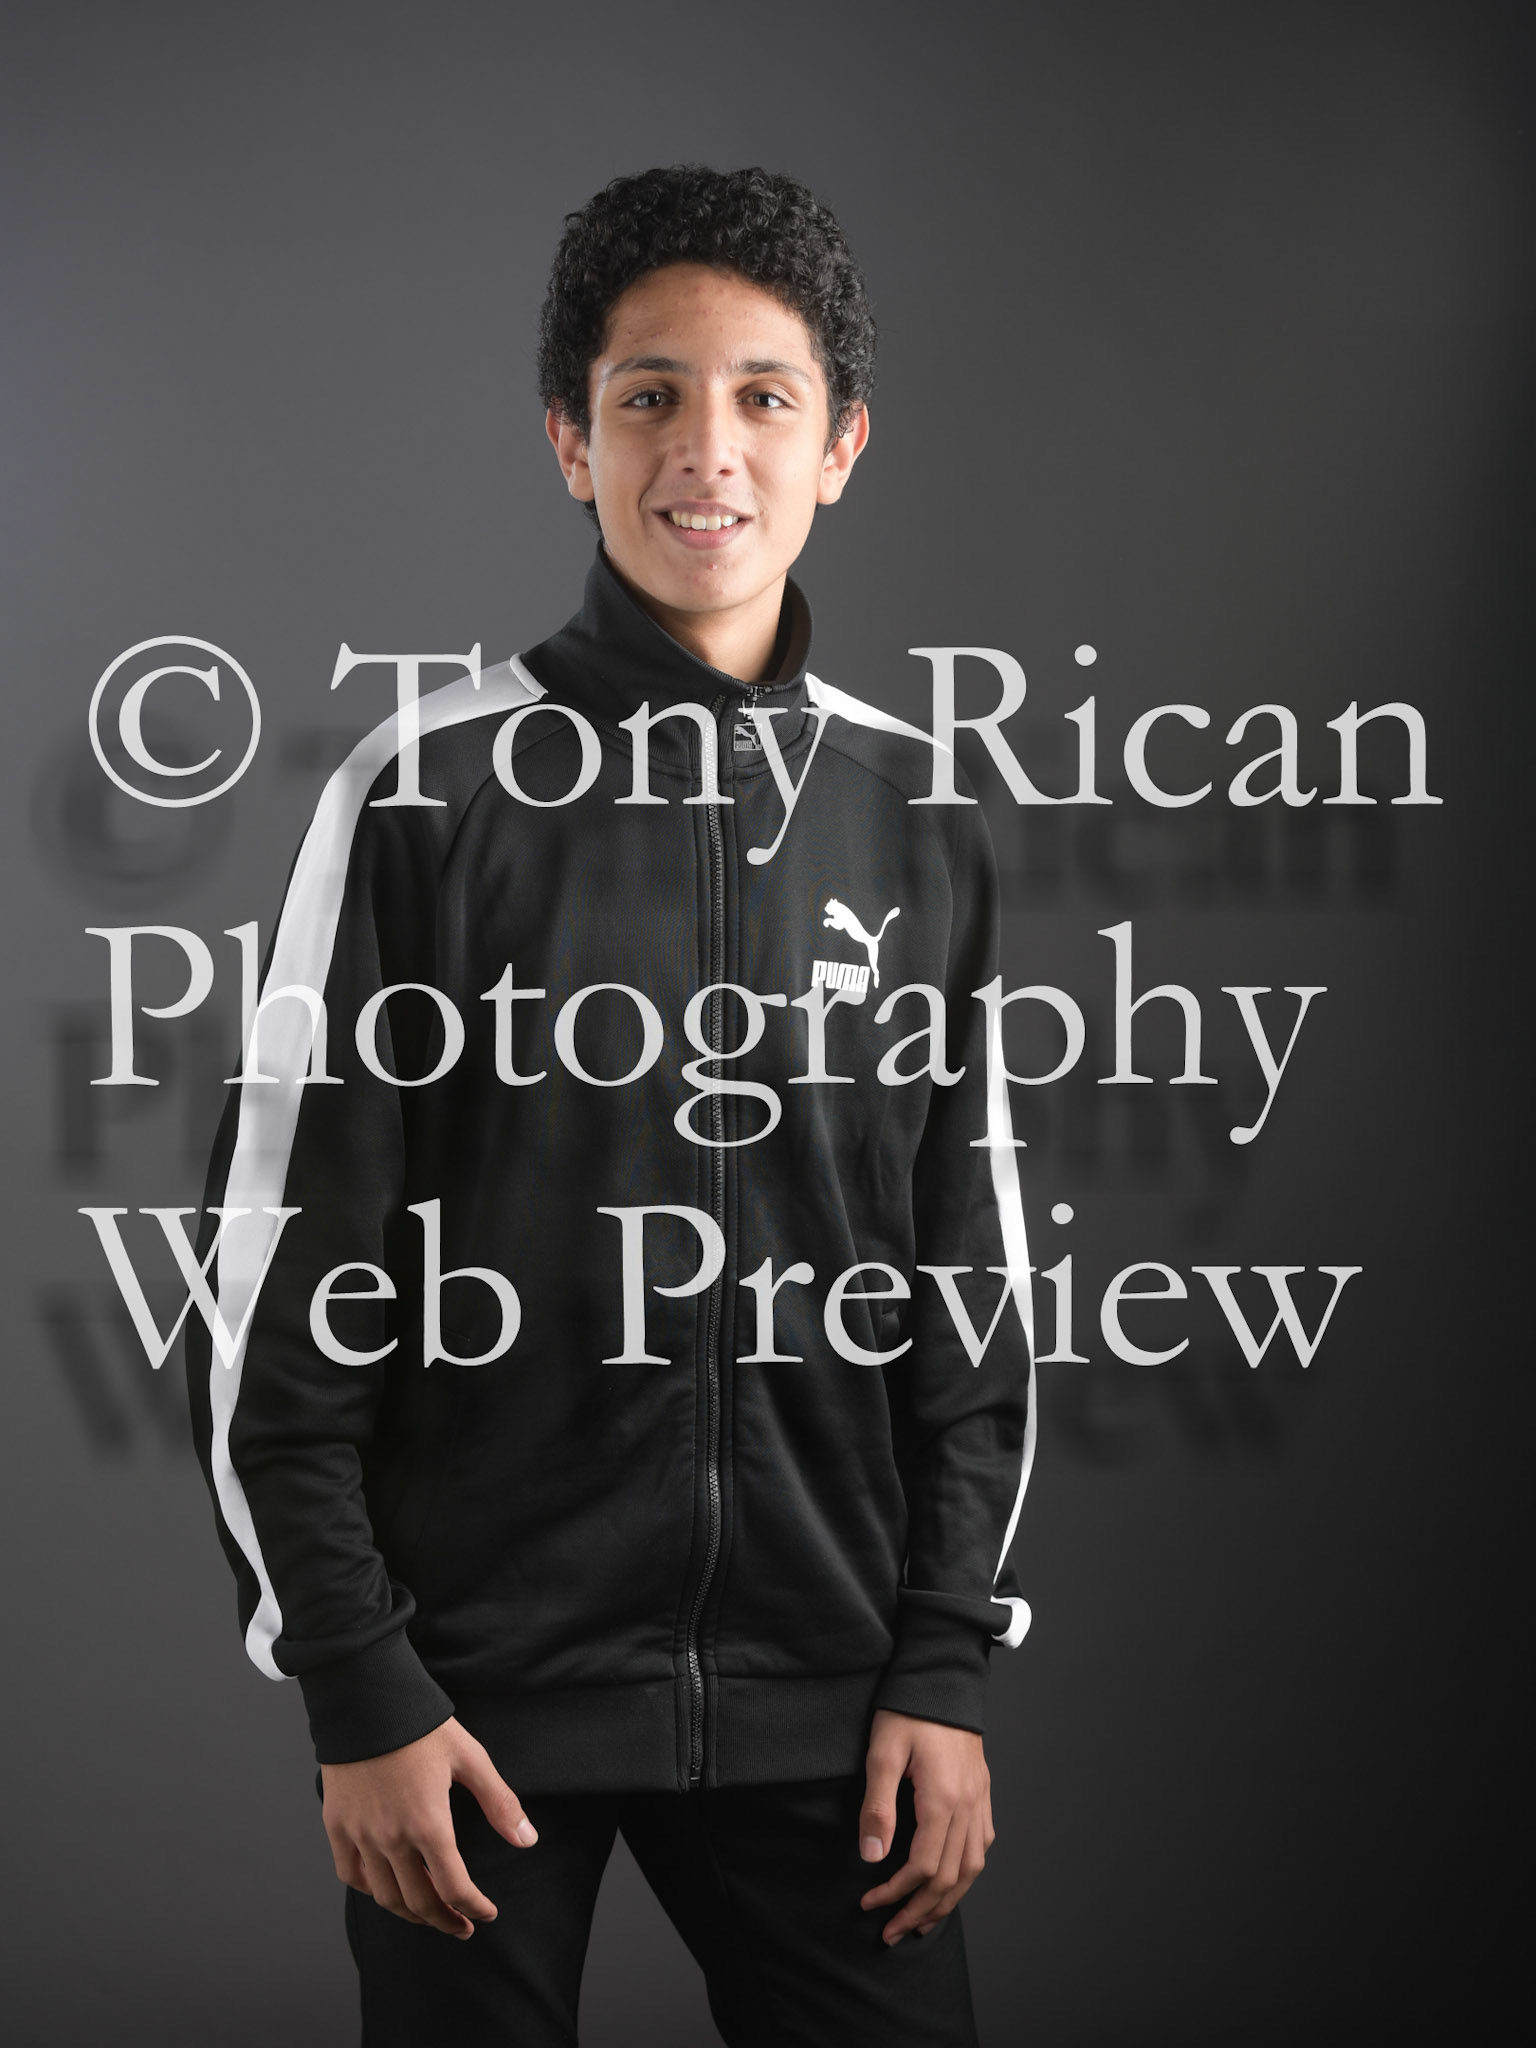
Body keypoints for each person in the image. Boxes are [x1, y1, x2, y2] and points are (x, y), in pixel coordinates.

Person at [186, 163, 1035, 2047]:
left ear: (841, 446)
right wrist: (358, 1687)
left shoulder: (922, 822)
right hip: (468, 1713)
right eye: (649, 395)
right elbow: (274, 1291)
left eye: (765, 397)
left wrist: (945, 1664)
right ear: (572, 441)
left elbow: (972, 1290)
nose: (706, 448)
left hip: (836, 1709)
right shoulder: (425, 798)